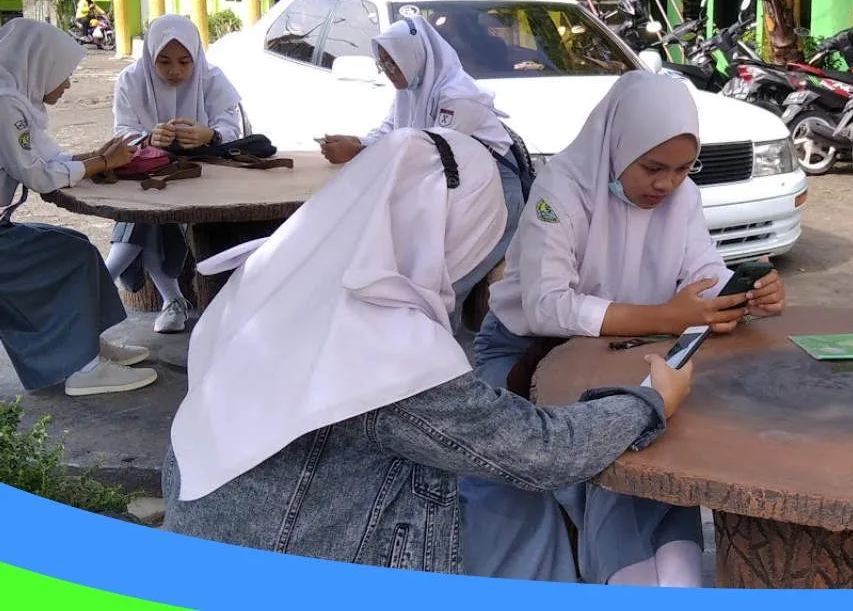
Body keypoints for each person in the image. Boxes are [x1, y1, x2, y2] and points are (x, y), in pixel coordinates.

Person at [161, 126, 693, 576]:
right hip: (299, 556)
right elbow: (543, 452)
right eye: (483, 243)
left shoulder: (275, 278)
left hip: (211, 539)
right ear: (446, 231)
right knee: (512, 499)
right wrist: (650, 400)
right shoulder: (382, 344)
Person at [457, 71, 788, 586]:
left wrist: (745, 290)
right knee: (508, 475)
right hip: (526, 350)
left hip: (625, 348)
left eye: (682, 169)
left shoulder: (682, 197)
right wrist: (666, 317)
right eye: (653, 168)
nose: (666, 184)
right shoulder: (561, 190)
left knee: (650, 453)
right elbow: (546, 306)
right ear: (616, 144)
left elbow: (702, 273)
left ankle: (656, 577)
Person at [317, 13, 527, 330]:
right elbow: (390, 131)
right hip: (453, 191)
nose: (388, 71)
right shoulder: (412, 87)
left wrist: (360, 151)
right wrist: (357, 141)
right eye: (383, 63)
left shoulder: (457, 97)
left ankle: (444, 363)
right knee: (418, 273)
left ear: (412, 57)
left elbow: (432, 153)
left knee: (448, 281)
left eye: (393, 63)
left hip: (494, 196)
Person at [0, 18, 157, 396]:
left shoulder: (16, 100)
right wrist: (100, 163)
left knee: (78, 248)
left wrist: (100, 156)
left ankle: (87, 347)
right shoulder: (6, 106)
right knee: (68, 258)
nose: (68, 84)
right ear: (40, 65)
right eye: (64, 75)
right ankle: (84, 370)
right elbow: (39, 176)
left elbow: (51, 158)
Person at [108, 14, 244, 334]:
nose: (175, 72)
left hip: (206, 174)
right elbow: (122, 132)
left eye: (185, 62)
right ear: (150, 56)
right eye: (164, 62)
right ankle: (171, 300)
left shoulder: (211, 78)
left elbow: (233, 128)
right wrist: (149, 138)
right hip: (150, 172)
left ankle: (104, 281)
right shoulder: (132, 80)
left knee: (148, 214)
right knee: (148, 214)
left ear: (196, 56)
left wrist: (208, 134)